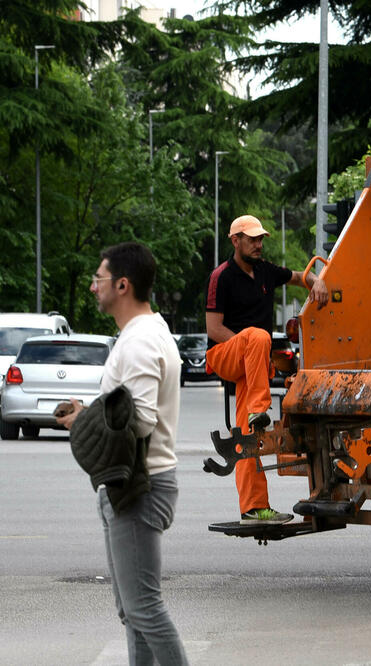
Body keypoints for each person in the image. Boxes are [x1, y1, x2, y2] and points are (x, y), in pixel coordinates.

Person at [57, 242, 188, 665]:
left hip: (139, 488)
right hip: (133, 485)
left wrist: (86, 425)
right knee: (134, 613)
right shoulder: (147, 332)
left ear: (122, 285)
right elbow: (127, 411)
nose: (93, 287)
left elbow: (142, 420)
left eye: (99, 279)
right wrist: (89, 415)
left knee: (144, 609)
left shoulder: (139, 342)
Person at [205, 214, 329, 524]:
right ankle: (258, 409)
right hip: (224, 355)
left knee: (249, 437)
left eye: (260, 239)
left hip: (253, 362)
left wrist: (318, 281)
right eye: (252, 239)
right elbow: (214, 329)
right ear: (235, 241)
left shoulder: (265, 271)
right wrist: (248, 347)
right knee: (259, 336)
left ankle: (254, 508)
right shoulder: (222, 276)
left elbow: (299, 276)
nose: (259, 244)